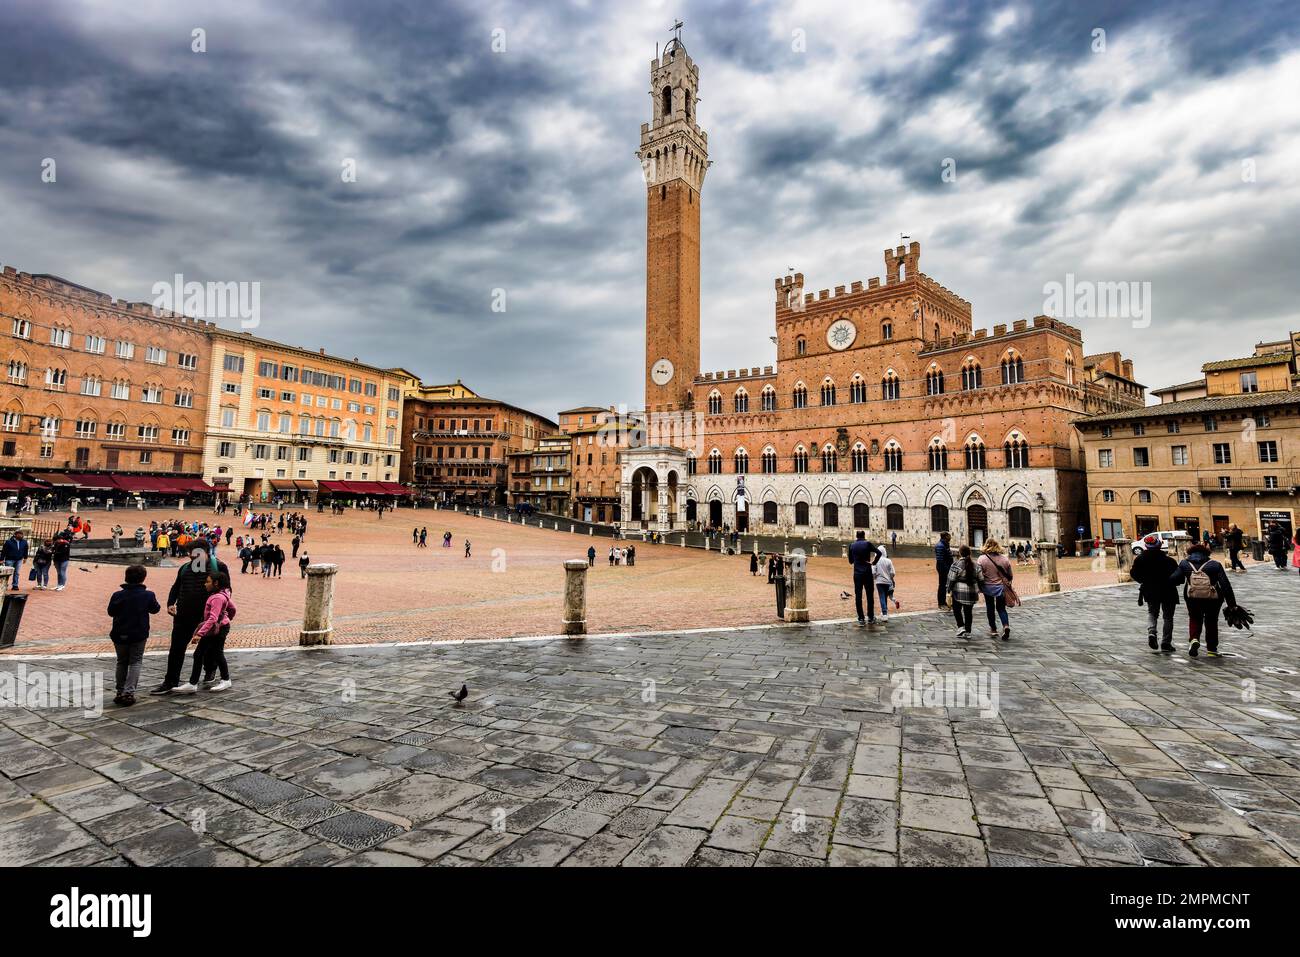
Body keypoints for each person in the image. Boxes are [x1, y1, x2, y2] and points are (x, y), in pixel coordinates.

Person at [153, 539, 230, 694]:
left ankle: (210, 670)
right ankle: (171, 680)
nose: (190, 557)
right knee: (176, 649)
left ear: (204, 552)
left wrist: (220, 614)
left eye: (194, 554)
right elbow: (176, 587)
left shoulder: (219, 567)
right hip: (183, 616)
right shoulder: (185, 568)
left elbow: (226, 591)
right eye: (190, 554)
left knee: (209, 648)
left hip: (206, 618)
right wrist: (170, 603)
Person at [1169, 540, 1237, 658]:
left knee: (1195, 618)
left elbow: (1174, 579)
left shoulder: (1184, 564)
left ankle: (1194, 639)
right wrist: (1232, 604)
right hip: (1213, 598)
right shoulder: (1215, 564)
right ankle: (1212, 649)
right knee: (1211, 621)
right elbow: (1225, 585)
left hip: (1192, 598)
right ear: (1207, 553)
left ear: (1190, 553)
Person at [173, 570, 236, 694]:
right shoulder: (223, 594)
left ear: (216, 583)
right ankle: (193, 683)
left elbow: (212, 618)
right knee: (201, 654)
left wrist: (199, 634)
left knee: (216, 652)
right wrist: (227, 618)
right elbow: (233, 608)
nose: (205, 584)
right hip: (219, 627)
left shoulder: (216, 597)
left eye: (208, 582)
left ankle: (225, 679)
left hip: (216, 629)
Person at [107, 564, 161, 707]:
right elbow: (155, 609)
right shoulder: (148, 595)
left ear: (126, 577)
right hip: (138, 633)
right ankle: (129, 692)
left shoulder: (117, 595)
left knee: (121, 661)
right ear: (143, 578)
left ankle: (119, 691)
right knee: (135, 662)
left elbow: (111, 612)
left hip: (119, 633)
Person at [1131, 533, 1179, 651]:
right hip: (1168, 591)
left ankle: (1152, 631)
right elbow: (1179, 576)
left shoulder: (1140, 559)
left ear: (1146, 546)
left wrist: (1143, 580)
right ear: (1159, 546)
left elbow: (1133, 573)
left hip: (1150, 590)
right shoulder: (1169, 561)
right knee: (1168, 617)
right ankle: (1166, 643)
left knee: (1152, 613)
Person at [976, 540, 1014, 641]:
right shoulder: (1004, 559)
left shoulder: (981, 559)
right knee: (1001, 608)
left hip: (987, 587)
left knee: (990, 607)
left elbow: (978, 575)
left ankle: (993, 629)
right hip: (1001, 587)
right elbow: (1010, 575)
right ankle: (1006, 626)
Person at [946, 544, 984, 639]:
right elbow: (981, 579)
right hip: (971, 592)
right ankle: (968, 631)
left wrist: (948, 589)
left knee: (957, 609)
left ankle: (960, 626)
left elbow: (951, 579)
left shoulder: (956, 564)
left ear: (960, 553)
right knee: (968, 612)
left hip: (958, 592)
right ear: (970, 553)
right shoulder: (976, 565)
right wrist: (980, 589)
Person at [847, 530, 881, 626]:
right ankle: (870, 617)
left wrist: (856, 559)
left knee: (858, 596)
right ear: (864, 535)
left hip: (857, 574)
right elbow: (879, 553)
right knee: (870, 596)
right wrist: (874, 562)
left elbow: (850, 561)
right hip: (867, 572)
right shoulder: (867, 544)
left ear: (856, 536)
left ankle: (861, 618)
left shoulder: (852, 545)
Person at [873, 545, 897, 620]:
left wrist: (875, 577)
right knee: (885, 597)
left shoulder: (876, 560)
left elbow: (873, 572)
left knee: (882, 597)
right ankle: (884, 612)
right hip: (888, 582)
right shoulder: (888, 561)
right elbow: (893, 572)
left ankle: (884, 614)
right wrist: (891, 578)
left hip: (879, 582)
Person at [934, 531, 953, 609]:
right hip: (943, 569)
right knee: (942, 585)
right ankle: (941, 603)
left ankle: (945, 602)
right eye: (949, 536)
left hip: (946, 568)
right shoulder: (940, 546)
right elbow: (940, 560)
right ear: (945, 537)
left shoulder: (945, 544)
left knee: (945, 585)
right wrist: (946, 570)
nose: (950, 537)